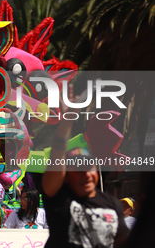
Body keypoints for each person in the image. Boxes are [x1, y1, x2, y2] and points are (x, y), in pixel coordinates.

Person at [41, 84, 129, 247]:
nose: (86, 174)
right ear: (66, 176)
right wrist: (67, 122)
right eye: (79, 170)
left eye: (90, 168)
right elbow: (57, 154)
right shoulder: (59, 198)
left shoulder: (113, 204)